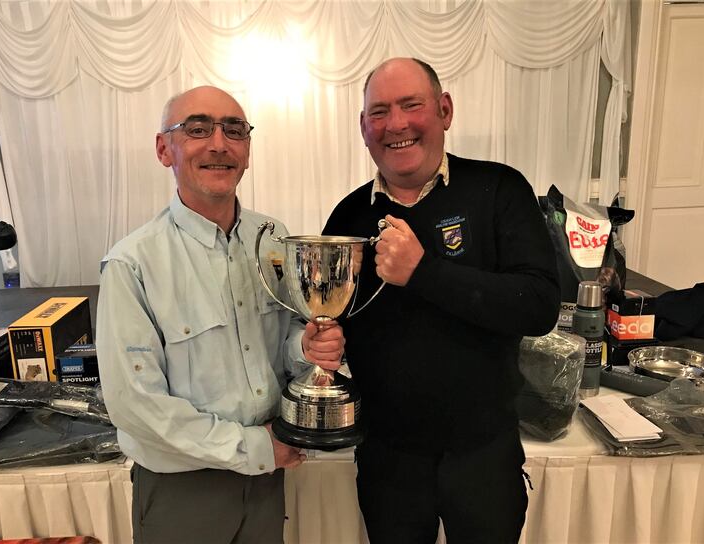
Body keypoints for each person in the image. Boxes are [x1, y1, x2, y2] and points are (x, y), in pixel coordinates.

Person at [322, 58, 560, 542]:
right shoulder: (347, 216)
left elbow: (537, 305)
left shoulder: (500, 189)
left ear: (444, 110)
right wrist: (320, 342)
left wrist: (424, 272)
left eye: (412, 105)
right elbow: (336, 322)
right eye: (380, 112)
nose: (397, 124)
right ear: (363, 129)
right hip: (388, 458)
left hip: (483, 455)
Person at [96, 86, 345, 544]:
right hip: (185, 489)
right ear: (163, 149)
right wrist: (255, 448)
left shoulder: (274, 240)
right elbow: (136, 405)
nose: (218, 143)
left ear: (247, 150)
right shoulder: (133, 264)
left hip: (267, 478)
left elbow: (286, 340)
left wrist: (305, 346)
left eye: (234, 130)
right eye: (197, 129)